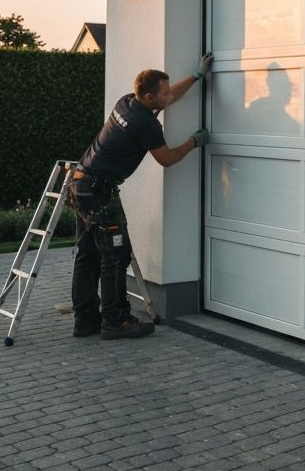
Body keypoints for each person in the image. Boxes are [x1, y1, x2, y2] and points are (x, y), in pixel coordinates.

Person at [69, 55, 213, 340]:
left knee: (88, 255)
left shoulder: (128, 102)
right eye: (163, 92)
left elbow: (170, 98)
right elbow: (167, 159)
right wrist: (194, 142)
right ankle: (116, 321)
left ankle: (85, 321)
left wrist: (196, 76)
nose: (168, 94)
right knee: (115, 255)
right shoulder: (145, 124)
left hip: (80, 183)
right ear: (149, 96)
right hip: (99, 192)